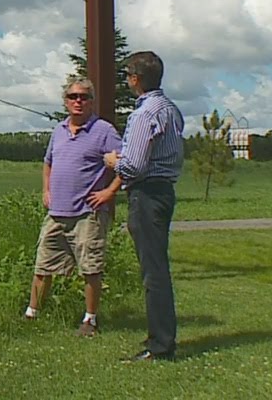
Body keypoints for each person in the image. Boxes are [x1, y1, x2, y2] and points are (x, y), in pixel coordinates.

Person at [22, 76, 122, 337]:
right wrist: (46, 190)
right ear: (65, 102)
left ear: (92, 101)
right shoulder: (59, 130)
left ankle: (90, 320)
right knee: (43, 266)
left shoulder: (104, 131)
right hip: (57, 212)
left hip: (87, 214)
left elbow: (125, 164)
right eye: (73, 97)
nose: (78, 101)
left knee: (90, 268)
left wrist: (109, 193)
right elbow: (48, 162)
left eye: (84, 97)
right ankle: (32, 314)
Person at [104, 51, 184, 362]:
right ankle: (162, 339)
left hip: (147, 195)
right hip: (163, 192)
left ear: (136, 80)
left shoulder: (144, 114)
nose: (126, 81)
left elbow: (134, 166)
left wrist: (114, 161)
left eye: (127, 76)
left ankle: (160, 345)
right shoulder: (170, 110)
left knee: (153, 273)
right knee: (157, 268)